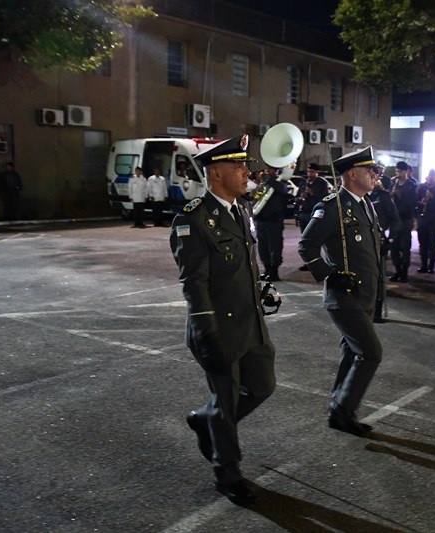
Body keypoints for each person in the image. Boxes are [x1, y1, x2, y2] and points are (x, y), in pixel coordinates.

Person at [170, 133, 275, 505]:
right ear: (216, 174)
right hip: (218, 327)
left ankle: (206, 420)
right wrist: (206, 330)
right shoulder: (194, 218)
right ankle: (227, 474)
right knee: (227, 398)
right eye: (239, 167)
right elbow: (193, 282)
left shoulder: (241, 210)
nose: (247, 172)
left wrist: (262, 289)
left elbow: (245, 263)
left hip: (251, 321)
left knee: (262, 386)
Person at [298, 145, 383, 437]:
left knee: (352, 352)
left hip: (366, 294)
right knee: (370, 353)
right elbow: (306, 246)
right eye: (369, 170)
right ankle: (343, 410)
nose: (374, 174)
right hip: (344, 295)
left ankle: (339, 409)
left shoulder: (366, 203)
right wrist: (328, 275)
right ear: (351, 173)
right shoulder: (331, 206)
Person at [368, 175, 400, 322]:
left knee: (378, 278)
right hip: (357, 241)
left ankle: (376, 311)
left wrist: (390, 239)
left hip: (377, 240)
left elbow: (395, 219)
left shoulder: (382, 196)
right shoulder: (354, 194)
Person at [253, 165, 287, 281]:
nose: (267, 171)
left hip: (274, 220)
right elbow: (257, 198)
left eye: (270, 169)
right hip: (261, 219)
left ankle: (274, 271)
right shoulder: (264, 184)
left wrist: (267, 179)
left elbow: (282, 189)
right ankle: (267, 268)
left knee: (275, 246)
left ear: (276, 171)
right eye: (266, 169)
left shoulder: (281, 182)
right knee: (263, 247)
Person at [388, 161, 417, 282]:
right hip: (395, 220)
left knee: (405, 247)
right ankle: (397, 271)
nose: (398, 173)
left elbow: (412, 204)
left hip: (406, 219)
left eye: (400, 171)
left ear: (406, 172)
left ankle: (404, 273)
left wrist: (400, 195)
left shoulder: (411, 185)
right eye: (396, 171)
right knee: (393, 246)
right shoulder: (394, 183)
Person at [414, 168, 435, 273]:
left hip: (434, 220)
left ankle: (431, 266)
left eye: (432, 176)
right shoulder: (421, 187)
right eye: (429, 176)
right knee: (423, 243)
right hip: (423, 219)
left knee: (433, 243)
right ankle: (423, 265)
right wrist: (420, 202)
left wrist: (433, 198)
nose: (430, 178)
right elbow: (415, 201)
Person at [296, 163, 329, 234]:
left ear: (317, 172)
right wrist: (301, 198)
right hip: (303, 213)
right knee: (304, 235)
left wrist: (312, 193)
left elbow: (324, 200)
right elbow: (296, 198)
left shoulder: (321, 184)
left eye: (312, 172)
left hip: (314, 213)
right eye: (308, 171)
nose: (310, 174)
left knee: (314, 235)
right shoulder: (303, 183)